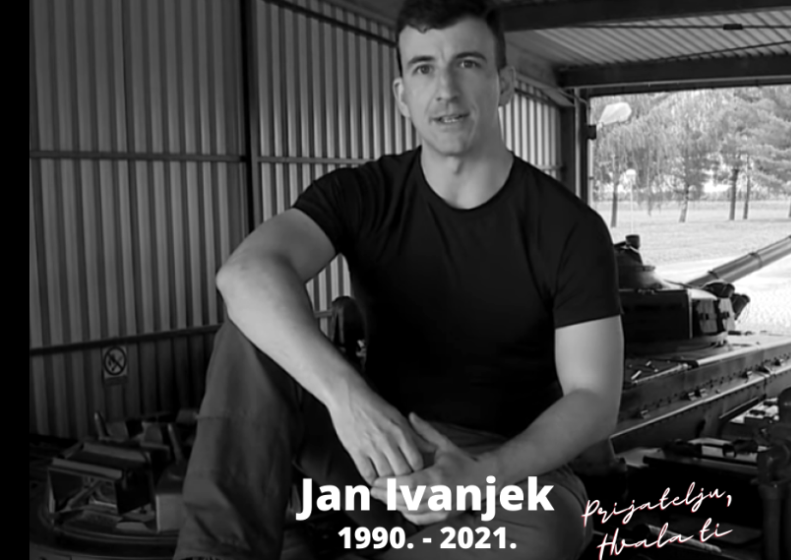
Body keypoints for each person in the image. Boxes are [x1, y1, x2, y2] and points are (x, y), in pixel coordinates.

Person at [173, 0, 623, 559]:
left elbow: (594, 398)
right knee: (253, 327)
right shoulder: (363, 194)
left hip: (502, 470)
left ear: (504, 84)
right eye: (424, 68)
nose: (446, 90)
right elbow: (244, 273)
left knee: (548, 529)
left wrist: (482, 475)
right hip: (378, 448)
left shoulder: (569, 228)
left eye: (467, 64)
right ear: (402, 95)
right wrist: (347, 398)